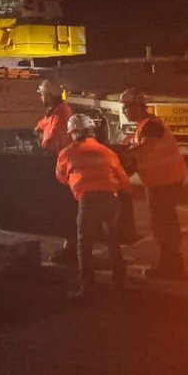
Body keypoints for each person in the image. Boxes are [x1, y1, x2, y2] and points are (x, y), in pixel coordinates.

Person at [56, 113, 131, 298]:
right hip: (110, 200)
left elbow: (60, 176)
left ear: (73, 133)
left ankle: (88, 286)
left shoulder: (67, 153)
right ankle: (119, 282)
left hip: (88, 202)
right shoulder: (106, 151)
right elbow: (123, 180)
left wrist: (76, 183)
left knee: (84, 244)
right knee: (113, 241)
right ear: (91, 131)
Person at [120, 87, 188, 278]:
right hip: (160, 181)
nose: (124, 111)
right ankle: (170, 264)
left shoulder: (151, 126)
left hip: (166, 181)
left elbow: (144, 149)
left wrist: (121, 154)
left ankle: (171, 266)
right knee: (162, 222)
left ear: (137, 107)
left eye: (126, 107)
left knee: (163, 223)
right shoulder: (144, 126)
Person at [34, 78, 75, 264]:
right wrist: (37, 129)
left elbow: (54, 140)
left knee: (67, 209)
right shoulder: (54, 112)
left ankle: (72, 248)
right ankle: (71, 246)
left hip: (65, 168)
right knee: (65, 209)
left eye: (42, 94)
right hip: (61, 166)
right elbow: (43, 124)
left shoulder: (61, 113)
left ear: (49, 96)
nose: (40, 98)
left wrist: (42, 144)